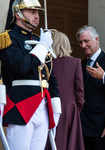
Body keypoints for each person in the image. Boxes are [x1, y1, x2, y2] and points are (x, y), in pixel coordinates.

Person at [0, 0, 61, 149]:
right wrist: (42, 47)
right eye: (32, 12)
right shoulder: (8, 38)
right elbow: (21, 66)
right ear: (18, 14)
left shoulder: (38, 39)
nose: (37, 16)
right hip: (21, 104)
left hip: (43, 104)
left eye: (38, 13)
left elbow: (50, 76)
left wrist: (56, 106)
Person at [76, 25, 105, 150]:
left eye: (86, 41)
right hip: (83, 126)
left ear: (96, 39)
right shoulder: (81, 63)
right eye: (80, 42)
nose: (83, 45)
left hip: (102, 128)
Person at [45, 30, 85, 150]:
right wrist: (75, 109)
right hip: (70, 109)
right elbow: (79, 90)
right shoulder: (75, 62)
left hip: (48, 107)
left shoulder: (45, 62)